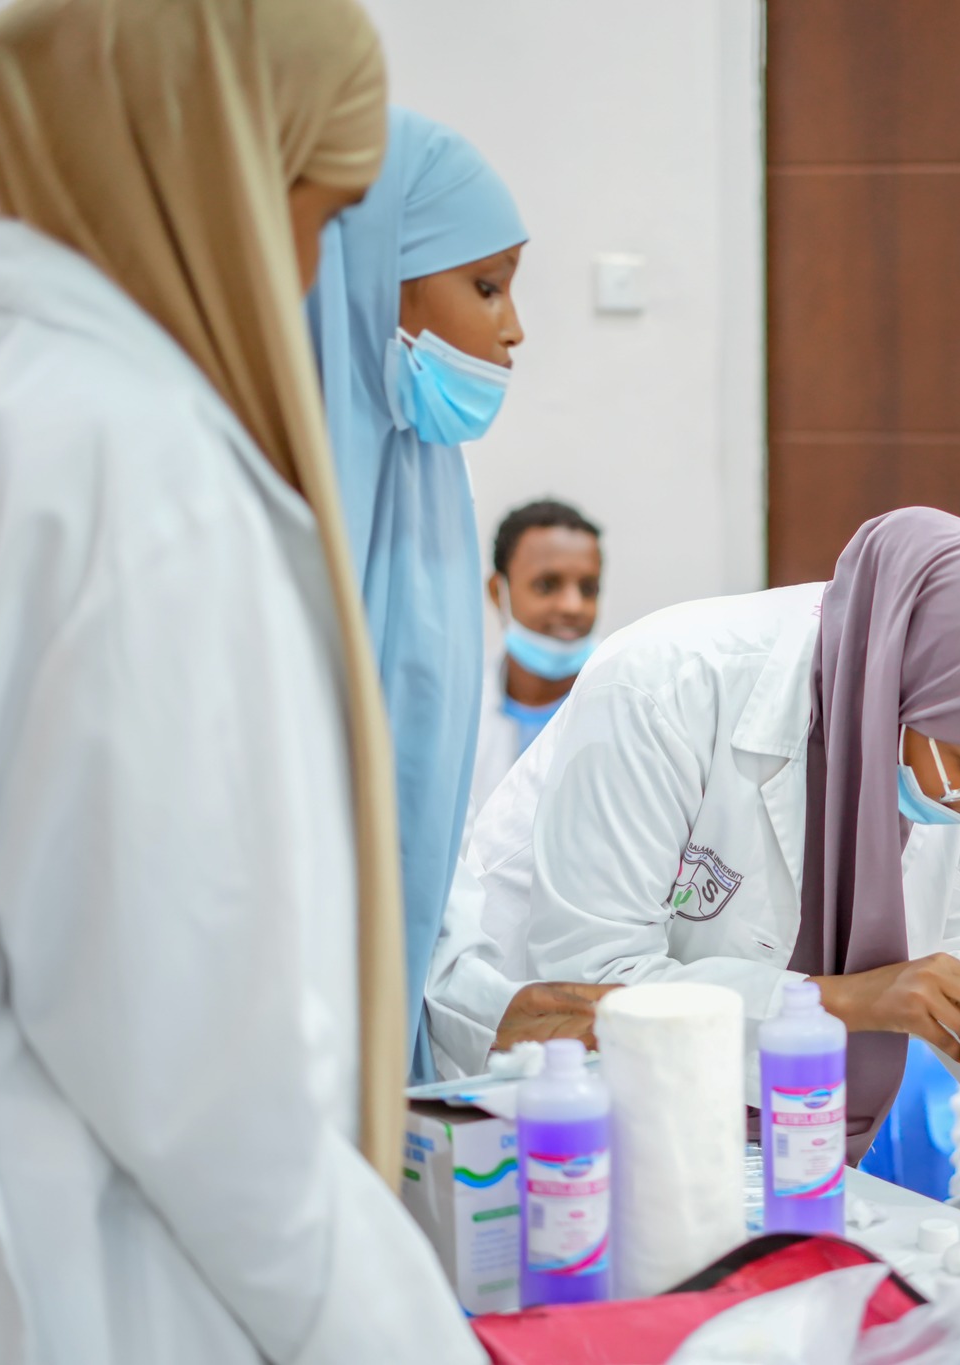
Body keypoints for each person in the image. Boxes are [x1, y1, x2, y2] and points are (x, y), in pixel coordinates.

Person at [0, 1, 478, 1359]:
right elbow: (221, 1112)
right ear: (211, 165)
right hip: (78, 1264)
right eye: (320, 217)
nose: (303, 278)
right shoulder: (142, 477)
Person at [427, 507, 960, 1157]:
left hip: (779, 1127)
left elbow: (951, 940)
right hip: (547, 1102)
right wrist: (848, 1000)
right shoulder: (666, 685)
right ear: (891, 691)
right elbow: (591, 982)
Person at [308, 106, 527, 1078]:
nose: (511, 329)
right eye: (484, 287)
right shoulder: (263, 482)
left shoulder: (426, 480)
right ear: (371, 283)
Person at [468, 498, 602, 824]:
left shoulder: (628, 707)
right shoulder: (461, 710)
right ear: (498, 592)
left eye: (588, 588)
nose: (573, 606)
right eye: (547, 585)